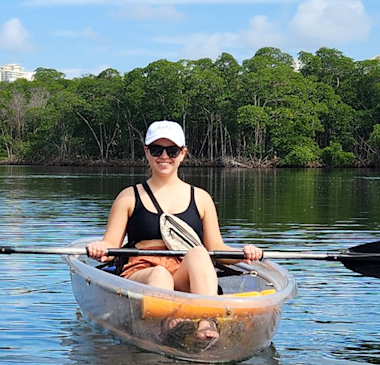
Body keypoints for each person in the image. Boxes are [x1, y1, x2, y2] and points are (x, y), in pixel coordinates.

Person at [87, 120, 260, 299]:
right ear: (146, 152)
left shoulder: (201, 198)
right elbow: (110, 247)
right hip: (142, 272)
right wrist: (100, 248)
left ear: (182, 153)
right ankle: (166, 320)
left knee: (200, 254)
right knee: (160, 274)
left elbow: (216, 248)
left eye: (172, 151)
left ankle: (206, 322)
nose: (164, 156)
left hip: (182, 273)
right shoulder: (128, 197)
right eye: (156, 150)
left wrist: (243, 254)